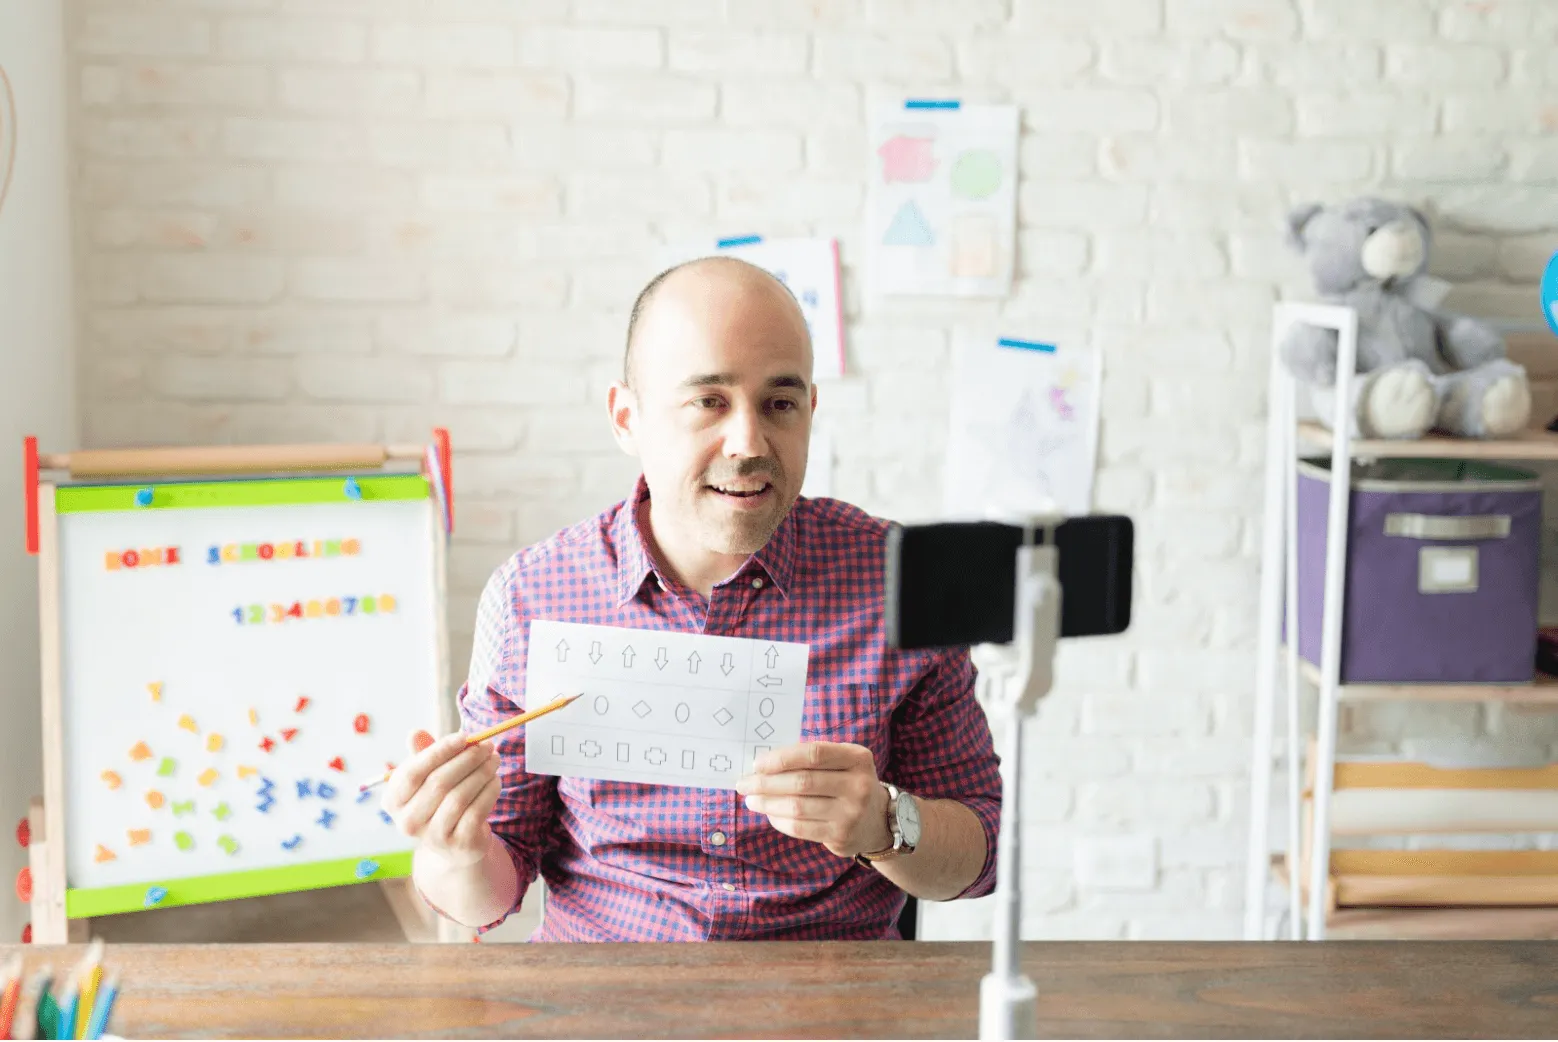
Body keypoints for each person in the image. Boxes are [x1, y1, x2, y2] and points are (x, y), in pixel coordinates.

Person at [385, 256, 1002, 941]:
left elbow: (978, 859)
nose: (748, 441)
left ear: (810, 412)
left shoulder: (903, 582)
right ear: (627, 418)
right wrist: (454, 849)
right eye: (709, 401)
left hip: (828, 1007)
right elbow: (483, 899)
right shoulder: (534, 597)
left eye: (779, 404)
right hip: (606, 1004)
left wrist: (885, 823)